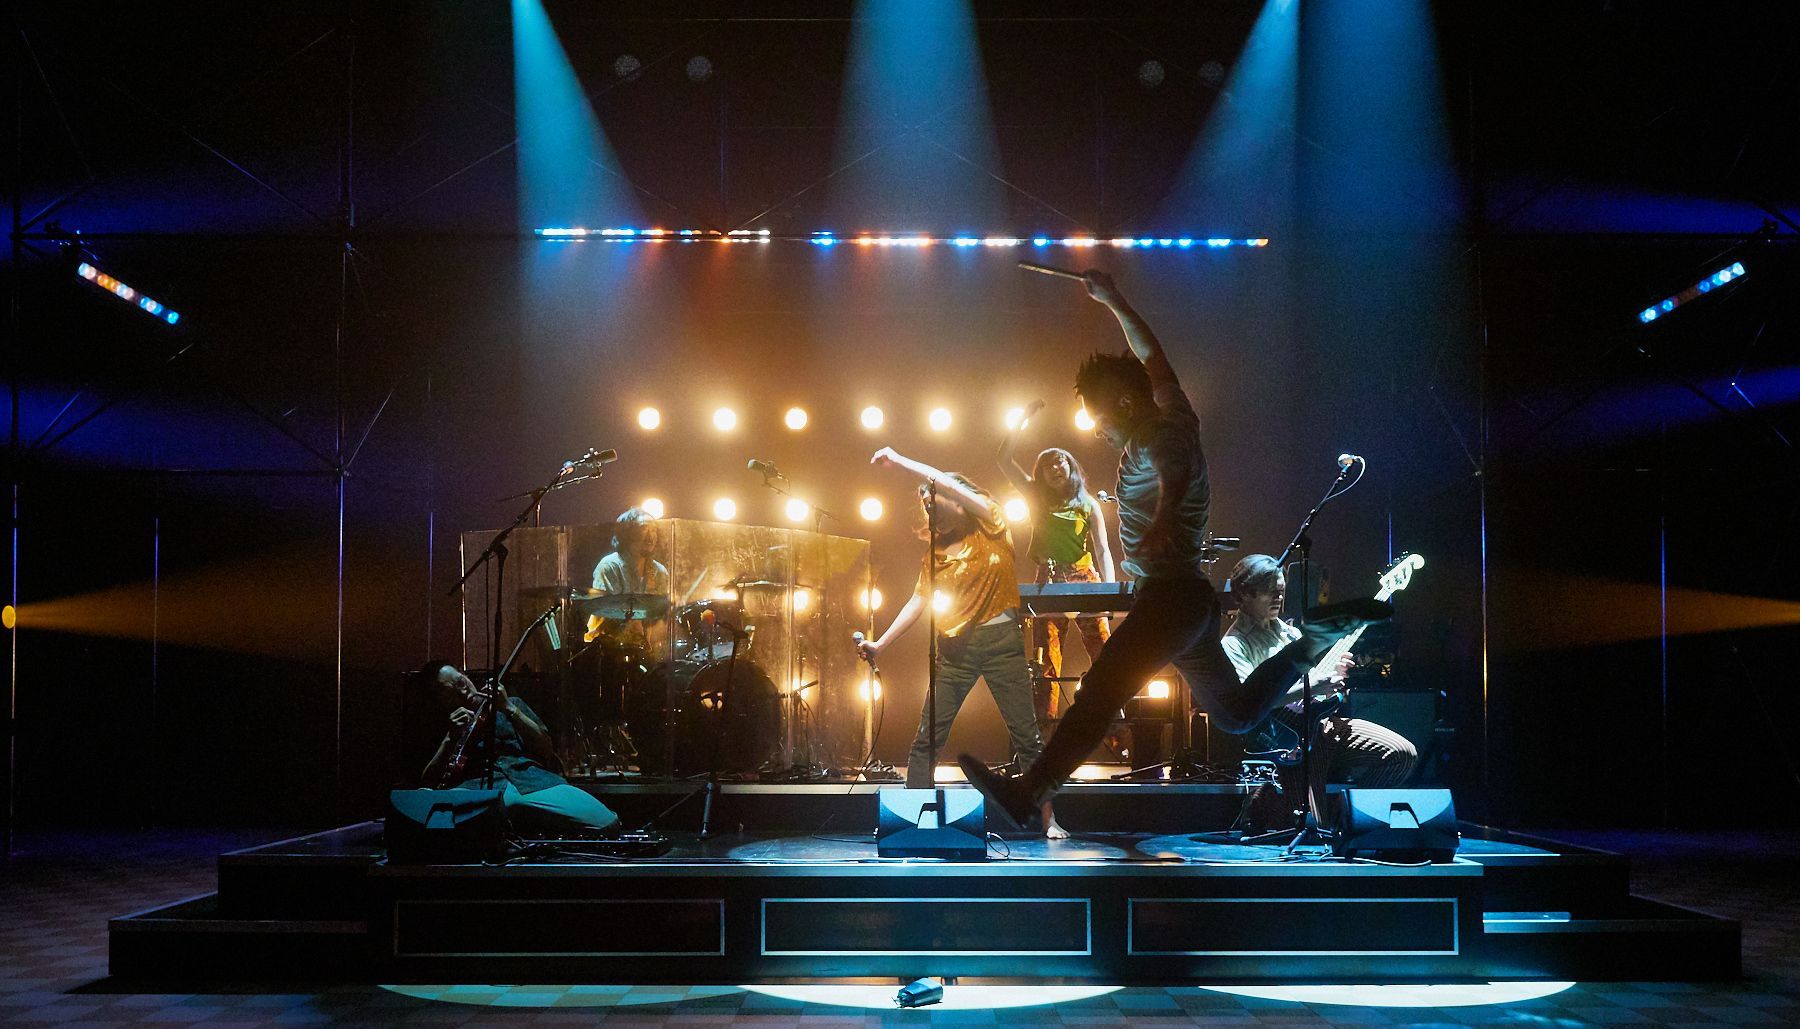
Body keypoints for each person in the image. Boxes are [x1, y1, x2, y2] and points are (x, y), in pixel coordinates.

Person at [959, 269, 1389, 826]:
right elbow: (1153, 356)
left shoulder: (1155, 436)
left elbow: (1174, 469)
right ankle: (1316, 637)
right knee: (1234, 715)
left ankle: (1030, 791)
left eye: (1098, 418)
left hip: (1170, 599)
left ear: (1121, 403)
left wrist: (1164, 515)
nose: (1098, 432)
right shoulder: (1174, 408)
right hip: (1186, 602)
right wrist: (1114, 300)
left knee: (1099, 690)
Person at [855, 447, 1066, 838]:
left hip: (1001, 642)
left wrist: (902, 462)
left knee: (1027, 736)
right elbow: (918, 599)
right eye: (924, 503)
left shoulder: (991, 522)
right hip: (953, 651)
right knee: (926, 738)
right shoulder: (934, 552)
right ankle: (914, 820)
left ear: (957, 498)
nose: (929, 507)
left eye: (933, 499)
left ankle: (1050, 820)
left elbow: (944, 479)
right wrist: (880, 644)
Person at [1223, 554, 1416, 815]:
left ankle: (1349, 816)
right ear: (1244, 595)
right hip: (1285, 742)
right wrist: (1313, 686)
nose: (1278, 599)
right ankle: (1276, 802)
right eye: (1270, 593)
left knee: (1402, 754)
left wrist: (1332, 675)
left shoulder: (1292, 634)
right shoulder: (1235, 644)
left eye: (1281, 592)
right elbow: (1248, 705)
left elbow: (1313, 687)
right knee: (1312, 822)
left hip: (1322, 727)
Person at [997, 401, 1115, 725]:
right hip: (1048, 578)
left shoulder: (1088, 503)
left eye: (1061, 461)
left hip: (1084, 575)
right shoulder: (1036, 496)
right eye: (1049, 464)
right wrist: (1020, 418)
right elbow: (1003, 459)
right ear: (1042, 474)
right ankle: (1044, 736)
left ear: (1071, 466)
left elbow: (1104, 550)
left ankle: (1115, 724)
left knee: (1104, 650)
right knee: (1046, 659)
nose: (1056, 467)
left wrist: (1110, 593)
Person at [419, 661, 620, 835]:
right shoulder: (444, 724)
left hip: (532, 782)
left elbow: (546, 748)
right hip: (480, 792)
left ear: (465, 676)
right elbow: (428, 783)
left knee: (606, 823)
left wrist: (509, 708)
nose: (463, 692)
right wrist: (450, 739)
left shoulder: (510, 704)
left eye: (462, 683)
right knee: (429, 823)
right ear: (439, 700)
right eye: (449, 693)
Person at [586, 506, 671, 648]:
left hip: (645, 650)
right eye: (644, 528)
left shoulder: (660, 571)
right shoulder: (609, 566)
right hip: (607, 648)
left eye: (654, 530)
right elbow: (606, 613)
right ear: (627, 533)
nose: (651, 536)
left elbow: (661, 617)